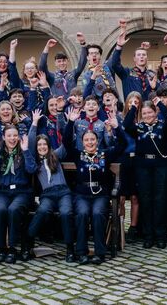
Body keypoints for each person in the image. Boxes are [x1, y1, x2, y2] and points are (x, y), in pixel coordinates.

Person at [63, 108, 126, 264]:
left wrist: (117, 127)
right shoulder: (78, 155)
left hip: (100, 194)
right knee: (82, 213)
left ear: (97, 141)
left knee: (98, 214)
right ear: (83, 142)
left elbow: (123, 145)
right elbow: (66, 142)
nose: (90, 142)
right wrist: (70, 122)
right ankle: (81, 252)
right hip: (82, 194)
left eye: (92, 140)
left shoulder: (105, 154)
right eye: (86, 140)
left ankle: (100, 252)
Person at [26, 109, 75, 262]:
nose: (42, 147)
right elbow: (30, 142)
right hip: (47, 194)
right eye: (39, 145)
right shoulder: (34, 161)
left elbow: (66, 141)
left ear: (48, 146)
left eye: (44, 144)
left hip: (63, 192)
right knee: (42, 211)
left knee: (66, 213)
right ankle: (27, 244)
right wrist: (34, 123)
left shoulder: (56, 155)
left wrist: (69, 122)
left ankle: (70, 248)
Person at [124, 97, 167, 248]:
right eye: (144, 113)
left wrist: (159, 104)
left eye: (150, 112)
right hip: (143, 166)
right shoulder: (139, 128)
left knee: (160, 199)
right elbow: (126, 125)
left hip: (161, 165)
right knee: (145, 199)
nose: (147, 116)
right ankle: (148, 235)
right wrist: (133, 108)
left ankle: (160, 235)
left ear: (155, 112)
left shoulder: (162, 125)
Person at [0, 125, 36, 264]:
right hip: (3, 191)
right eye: (9, 136)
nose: (12, 138)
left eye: (15, 135)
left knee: (13, 209)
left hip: (21, 191)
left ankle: (12, 248)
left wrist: (26, 150)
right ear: (4, 137)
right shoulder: (0, 152)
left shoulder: (23, 151)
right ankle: (1, 248)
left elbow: (32, 169)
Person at [38, 34, 88, 100]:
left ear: (67, 61)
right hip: (57, 103)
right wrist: (47, 47)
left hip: (72, 104)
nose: (62, 63)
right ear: (55, 63)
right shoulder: (52, 76)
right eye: (59, 61)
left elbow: (82, 62)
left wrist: (83, 43)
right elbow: (42, 66)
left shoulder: (73, 74)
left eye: (64, 61)